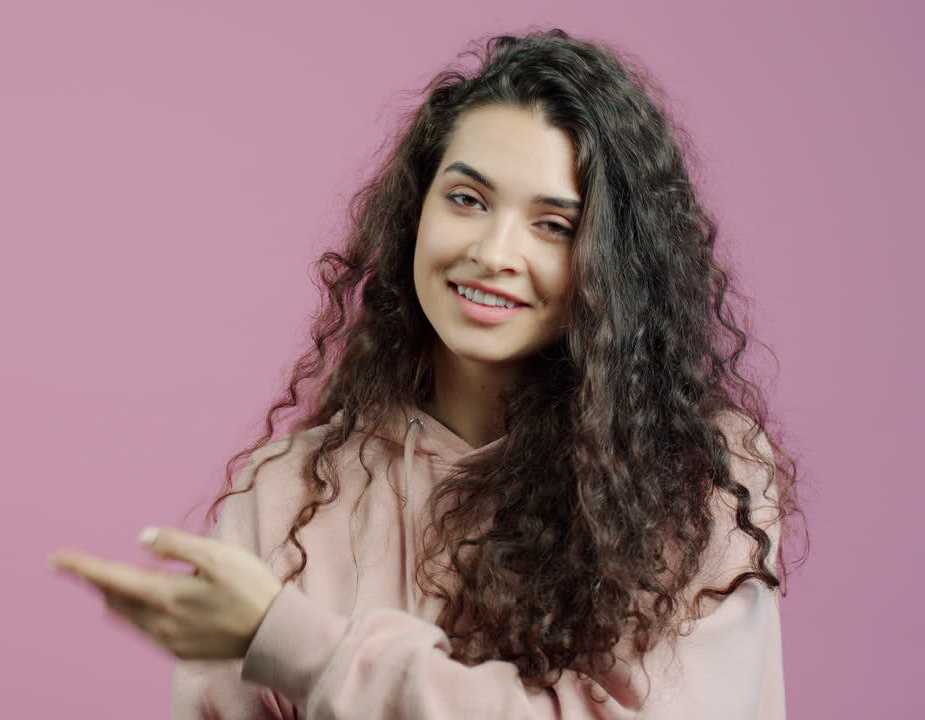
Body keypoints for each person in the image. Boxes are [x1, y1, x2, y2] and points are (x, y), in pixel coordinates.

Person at [50, 27, 805, 718]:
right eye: (468, 200)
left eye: (554, 225)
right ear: (416, 213)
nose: (494, 251)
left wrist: (292, 642)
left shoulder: (693, 479)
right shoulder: (288, 495)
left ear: (614, 264)